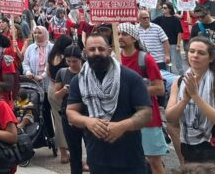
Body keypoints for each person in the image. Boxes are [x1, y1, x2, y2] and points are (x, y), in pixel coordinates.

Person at [66, 32, 152, 174]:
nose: (97, 53)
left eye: (101, 49)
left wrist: (123, 126)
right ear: (85, 52)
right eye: (92, 50)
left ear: (109, 51)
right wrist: (88, 121)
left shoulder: (131, 78)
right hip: (97, 158)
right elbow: (71, 112)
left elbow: (146, 113)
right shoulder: (79, 80)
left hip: (130, 158)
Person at [166, 36, 215, 168]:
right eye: (192, 51)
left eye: (201, 53)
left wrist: (196, 97)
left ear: (210, 58)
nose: (195, 55)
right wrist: (185, 100)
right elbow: (170, 117)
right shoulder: (180, 82)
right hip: (190, 148)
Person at [118, 23, 168, 174]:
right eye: (118, 33)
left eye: (124, 34)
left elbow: (160, 89)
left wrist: (134, 92)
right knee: (131, 159)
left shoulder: (145, 59)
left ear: (133, 38)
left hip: (148, 118)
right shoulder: (115, 59)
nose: (120, 37)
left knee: (154, 160)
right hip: (124, 117)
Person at [54, 44, 87, 174]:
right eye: (69, 61)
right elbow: (56, 95)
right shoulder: (62, 72)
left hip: (86, 115)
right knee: (74, 151)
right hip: (67, 115)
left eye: (75, 61)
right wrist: (64, 90)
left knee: (92, 149)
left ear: (81, 59)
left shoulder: (87, 72)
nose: (72, 64)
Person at [23, 25, 54, 139]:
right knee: (40, 111)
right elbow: (25, 63)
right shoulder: (31, 48)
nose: (36, 35)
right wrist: (27, 72)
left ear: (45, 34)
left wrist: (43, 75)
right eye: (35, 33)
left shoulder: (51, 47)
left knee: (51, 110)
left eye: (39, 33)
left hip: (48, 83)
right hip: (34, 84)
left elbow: (51, 63)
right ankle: (44, 135)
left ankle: (55, 136)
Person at [47, 34, 73, 164]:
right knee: (69, 121)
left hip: (51, 89)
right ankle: (69, 152)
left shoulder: (51, 55)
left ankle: (63, 152)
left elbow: (47, 72)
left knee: (58, 121)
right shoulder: (66, 59)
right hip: (64, 90)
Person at [154, 2, 184, 73]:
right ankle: (168, 76)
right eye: (162, 8)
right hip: (163, 45)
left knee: (178, 62)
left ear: (170, 9)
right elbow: (149, 23)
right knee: (166, 62)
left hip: (173, 44)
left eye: (165, 8)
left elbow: (179, 32)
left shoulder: (175, 20)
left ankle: (182, 76)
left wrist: (178, 45)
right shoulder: (159, 19)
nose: (163, 9)